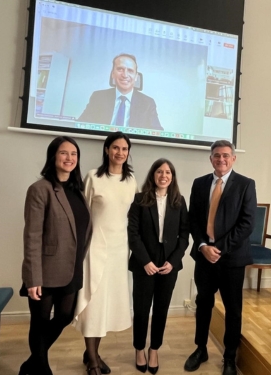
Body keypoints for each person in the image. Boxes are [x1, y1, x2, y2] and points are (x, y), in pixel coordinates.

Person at [19, 136, 92, 375]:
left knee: (64, 316)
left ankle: (31, 363)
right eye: (64, 153)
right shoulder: (40, 189)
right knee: (39, 323)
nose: (69, 158)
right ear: (53, 156)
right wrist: (33, 278)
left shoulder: (77, 191)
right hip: (45, 271)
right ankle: (41, 368)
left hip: (72, 269)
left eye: (74, 154)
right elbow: (32, 236)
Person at [184, 140, 256, 375]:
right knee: (203, 304)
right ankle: (201, 348)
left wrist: (220, 248)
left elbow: (246, 224)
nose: (221, 159)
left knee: (233, 310)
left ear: (233, 158)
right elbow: (193, 219)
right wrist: (204, 245)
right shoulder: (200, 183)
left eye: (226, 155)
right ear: (211, 159)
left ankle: (229, 357)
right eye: (217, 155)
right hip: (204, 257)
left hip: (231, 259)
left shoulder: (246, 185)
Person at [73, 132, 137, 375]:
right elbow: (82, 215)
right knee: (93, 303)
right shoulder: (93, 177)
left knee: (106, 305)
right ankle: (93, 360)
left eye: (124, 148)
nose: (120, 152)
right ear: (107, 149)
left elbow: (131, 217)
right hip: (95, 247)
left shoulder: (131, 181)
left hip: (120, 249)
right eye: (115, 148)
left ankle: (92, 354)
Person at [127, 159, 189, 374]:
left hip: (169, 262)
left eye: (168, 172)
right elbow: (132, 234)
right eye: (160, 171)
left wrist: (173, 261)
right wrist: (145, 261)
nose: (164, 175)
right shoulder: (139, 200)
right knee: (142, 309)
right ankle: (139, 349)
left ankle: (154, 349)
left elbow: (184, 236)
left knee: (161, 309)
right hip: (145, 261)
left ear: (172, 177)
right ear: (153, 175)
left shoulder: (179, 201)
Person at [78, 53, 163, 130]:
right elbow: (81, 124)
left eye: (130, 70)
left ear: (136, 76)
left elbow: (157, 133)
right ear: (113, 74)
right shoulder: (98, 97)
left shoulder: (147, 103)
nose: (125, 75)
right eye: (120, 69)